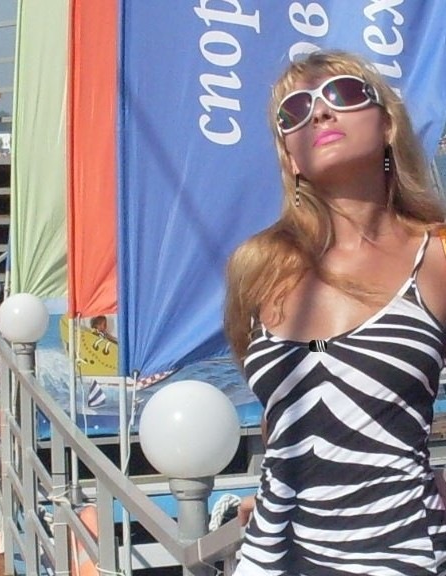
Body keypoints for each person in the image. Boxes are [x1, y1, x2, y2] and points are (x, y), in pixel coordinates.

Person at [225, 50, 446, 575]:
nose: (320, 112)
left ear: (388, 125)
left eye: (343, 94)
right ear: (291, 159)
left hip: (399, 555)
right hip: (272, 556)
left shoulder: (435, 255)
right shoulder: (258, 267)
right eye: (295, 111)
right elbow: (283, 415)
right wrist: (290, 484)